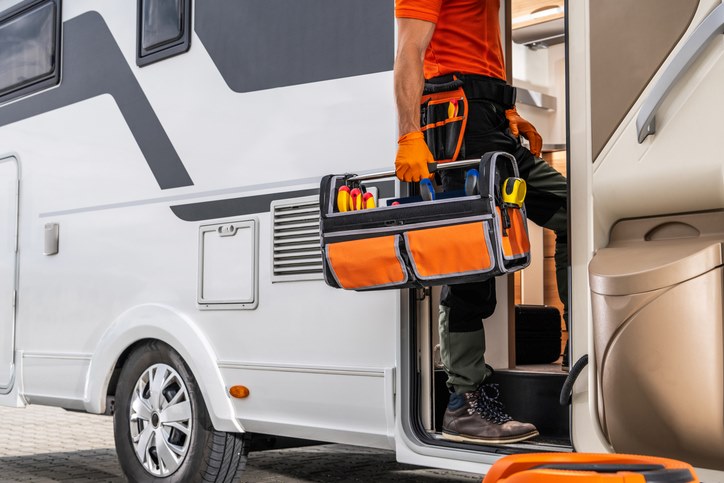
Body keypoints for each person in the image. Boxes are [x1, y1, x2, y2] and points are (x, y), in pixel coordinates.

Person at [393, 0, 568, 444]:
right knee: (471, 258)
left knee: (575, 213)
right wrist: (410, 133)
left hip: (489, 116)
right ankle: (462, 402)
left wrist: (506, 111)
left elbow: (481, 52)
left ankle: (579, 346)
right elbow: (410, 51)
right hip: (456, 116)